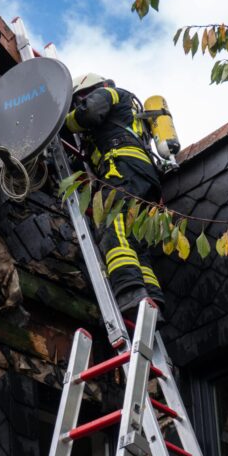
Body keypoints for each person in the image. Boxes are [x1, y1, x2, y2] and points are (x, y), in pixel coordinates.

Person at [64, 72, 164, 314]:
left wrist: (61, 122)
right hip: (143, 176)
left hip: (123, 167)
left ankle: (129, 291)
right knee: (135, 241)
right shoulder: (122, 115)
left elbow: (89, 112)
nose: (79, 105)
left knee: (112, 221)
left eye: (79, 100)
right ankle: (152, 301)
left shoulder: (109, 93)